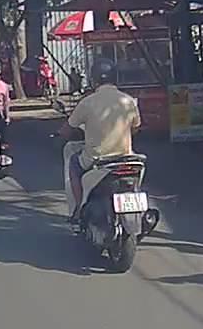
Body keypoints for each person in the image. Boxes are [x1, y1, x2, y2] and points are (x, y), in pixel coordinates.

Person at [59, 56, 141, 222]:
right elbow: (136, 127)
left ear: (94, 80)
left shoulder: (87, 102)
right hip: (126, 157)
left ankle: (79, 209)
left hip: (97, 159)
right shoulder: (128, 101)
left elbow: (68, 129)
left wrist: (59, 135)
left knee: (74, 163)